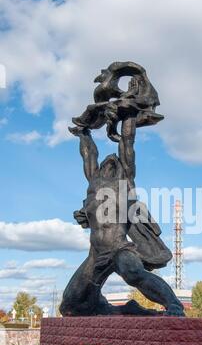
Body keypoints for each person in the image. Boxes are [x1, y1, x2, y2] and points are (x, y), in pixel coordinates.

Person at [59, 115, 185, 317]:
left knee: (133, 273)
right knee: (70, 306)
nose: (111, 160)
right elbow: (88, 154)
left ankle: (174, 306)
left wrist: (128, 115)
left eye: (115, 161)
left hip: (118, 248)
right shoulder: (94, 183)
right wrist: (84, 134)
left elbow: (127, 142)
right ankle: (125, 310)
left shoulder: (125, 182)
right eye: (106, 162)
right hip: (96, 253)